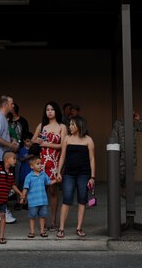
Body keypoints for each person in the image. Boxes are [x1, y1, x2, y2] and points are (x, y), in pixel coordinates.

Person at [56, 116, 96, 239]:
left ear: (79, 126)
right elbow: (62, 156)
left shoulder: (88, 140)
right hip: (69, 173)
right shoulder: (67, 139)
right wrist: (59, 172)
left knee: (82, 200)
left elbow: (92, 159)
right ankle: (61, 228)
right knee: (66, 199)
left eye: (73, 124)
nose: (70, 127)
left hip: (84, 174)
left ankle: (79, 228)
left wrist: (93, 177)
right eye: (70, 124)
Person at [31, 102, 67, 230]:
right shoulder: (42, 126)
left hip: (55, 162)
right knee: (42, 191)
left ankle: (53, 219)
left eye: (52, 109)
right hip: (42, 163)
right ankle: (43, 220)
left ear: (56, 111)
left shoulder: (62, 127)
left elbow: (62, 145)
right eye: (47, 109)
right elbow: (32, 140)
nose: (50, 112)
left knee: (53, 191)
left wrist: (45, 143)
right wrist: (38, 141)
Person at [0, 95, 19, 224]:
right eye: (11, 103)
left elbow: (1, 136)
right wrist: (10, 145)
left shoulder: (2, 118)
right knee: (2, 186)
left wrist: (11, 141)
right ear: (6, 104)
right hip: (0, 156)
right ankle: (0, 212)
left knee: (4, 186)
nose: (13, 106)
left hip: (4, 155)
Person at [0, 152, 24, 244]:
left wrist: (20, 193)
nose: (15, 161)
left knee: (3, 216)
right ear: (6, 160)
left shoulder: (10, 173)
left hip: (3, 199)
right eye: (13, 159)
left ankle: (2, 235)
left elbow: (12, 185)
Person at [21, 156, 57, 238]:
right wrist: (23, 197)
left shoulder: (43, 174)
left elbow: (49, 182)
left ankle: (42, 231)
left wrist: (56, 180)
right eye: (38, 164)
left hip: (43, 201)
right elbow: (25, 188)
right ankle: (32, 232)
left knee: (42, 216)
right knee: (32, 216)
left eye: (40, 164)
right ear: (31, 166)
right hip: (33, 202)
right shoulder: (29, 176)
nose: (40, 165)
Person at [112, 111, 142, 192]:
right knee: (121, 172)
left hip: (132, 151)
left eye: (133, 113)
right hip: (121, 152)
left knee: (131, 171)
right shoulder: (118, 122)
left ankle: (126, 190)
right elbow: (114, 136)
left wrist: (139, 119)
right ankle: (121, 188)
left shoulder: (133, 124)